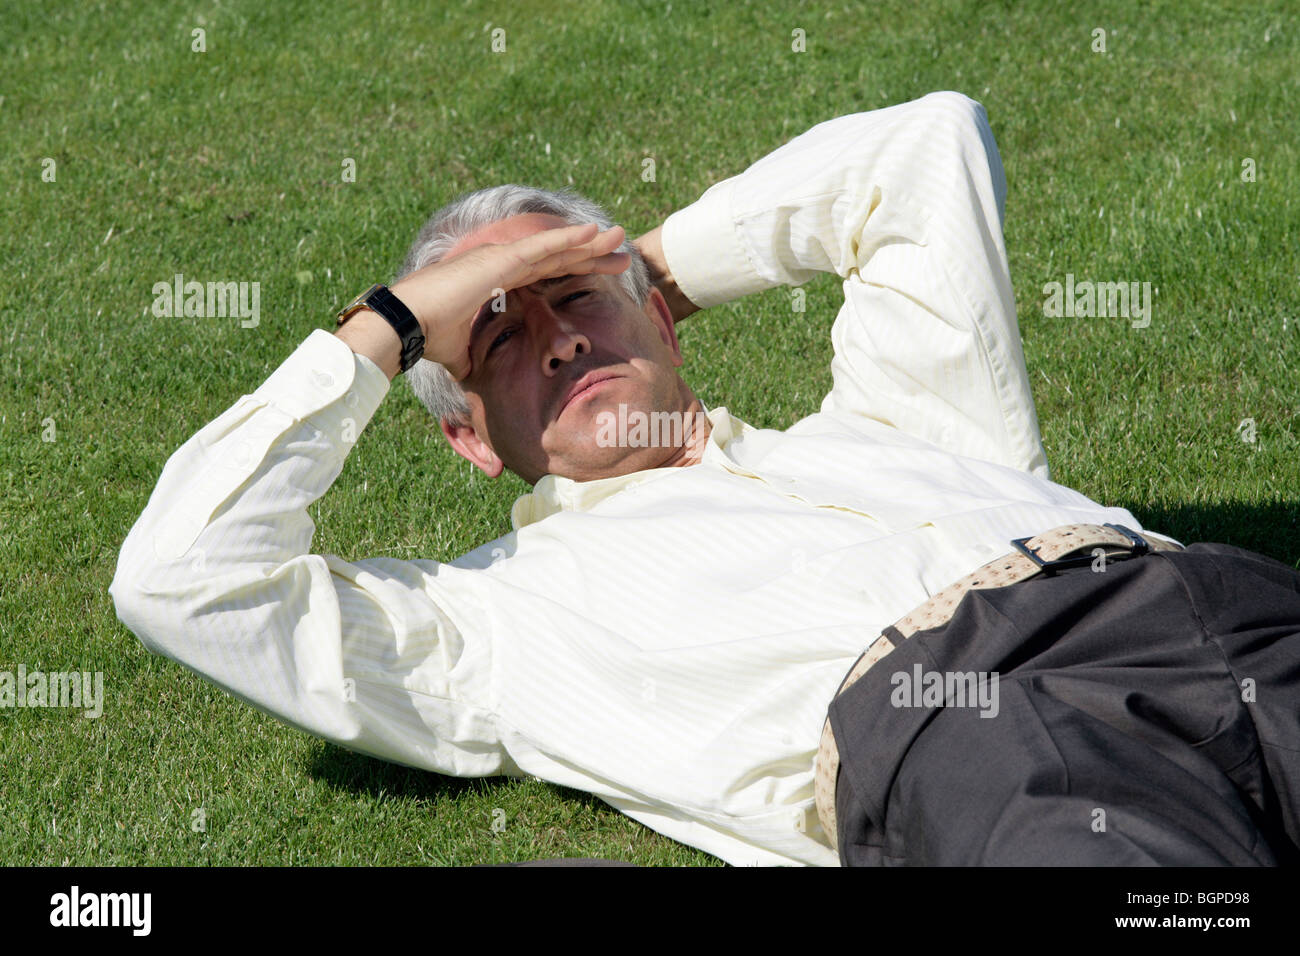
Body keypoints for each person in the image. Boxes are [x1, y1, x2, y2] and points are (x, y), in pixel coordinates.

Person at [110, 91, 1300, 867]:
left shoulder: (902, 414)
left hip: (1214, 609)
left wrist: (646, 265)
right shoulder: (495, 623)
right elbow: (182, 578)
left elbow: (920, 146)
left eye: (575, 301)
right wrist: (389, 324)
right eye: (501, 336)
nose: (560, 338)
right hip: (981, 724)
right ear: (470, 439)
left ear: (662, 322)